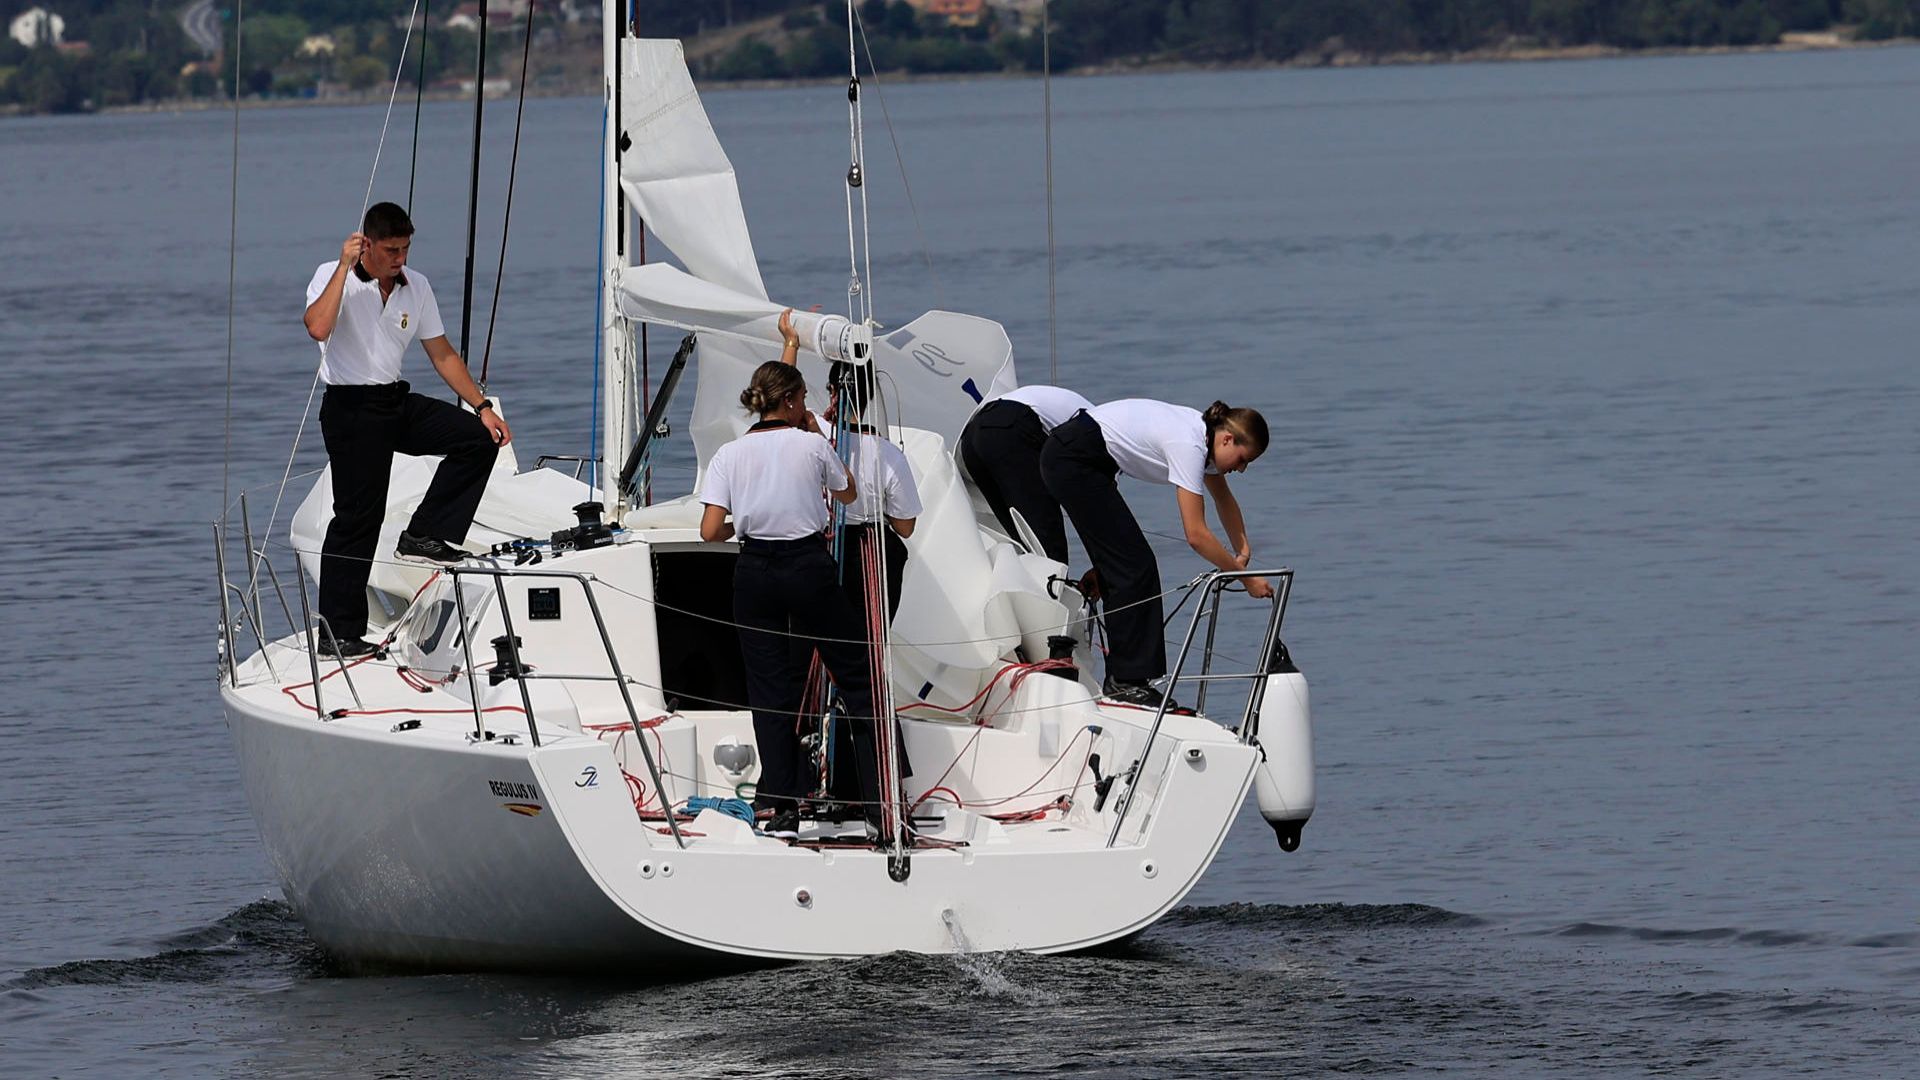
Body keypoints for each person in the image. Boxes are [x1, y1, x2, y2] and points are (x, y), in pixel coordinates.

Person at [698, 329, 885, 840]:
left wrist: (746, 523)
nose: (809, 406)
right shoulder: (810, 445)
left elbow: (710, 531)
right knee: (858, 676)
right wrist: (814, 434)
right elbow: (846, 494)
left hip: (754, 572)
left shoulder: (730, 455)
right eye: (804, 398)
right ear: (789, 400)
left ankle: (779, 803)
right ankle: (875, 801)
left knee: (768, 689)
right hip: (807, 567)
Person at [303, 201, 510, 659]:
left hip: (392, 401)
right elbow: (317, 327)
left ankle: (424, 535)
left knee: (478, 440)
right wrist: (343, 266)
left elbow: (442, 355)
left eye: (405, 248)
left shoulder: (416, 287)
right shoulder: (333, 276)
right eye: (391, 249)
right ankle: (337, 633)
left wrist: (482, 406)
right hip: (350, 409)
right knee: (358, 519)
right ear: (367, 244)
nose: (400, 258)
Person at [1039, 398, 1273, 708]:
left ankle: (1127, 678)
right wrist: (1245, 578)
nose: (1241, 469)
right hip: (1073, 459)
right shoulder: (1189, 445)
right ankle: (1125, 682)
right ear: (1227, 439)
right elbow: (1196, 535)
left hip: (1083, 459)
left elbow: (1224, 502)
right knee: (1136, 566)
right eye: (1243, 459)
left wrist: (1243, 550)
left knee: (1126, 562)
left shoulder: (1203, 438)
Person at [957, 384, 1091, 564]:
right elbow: (1093, 512)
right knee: (1045, 536)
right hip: (1008, 428)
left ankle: (1037, 584)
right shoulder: (1104, 445)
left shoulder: (1095, 421)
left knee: (1022, 540)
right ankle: (1054, 585)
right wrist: (1102, 570)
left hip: (973, 435)